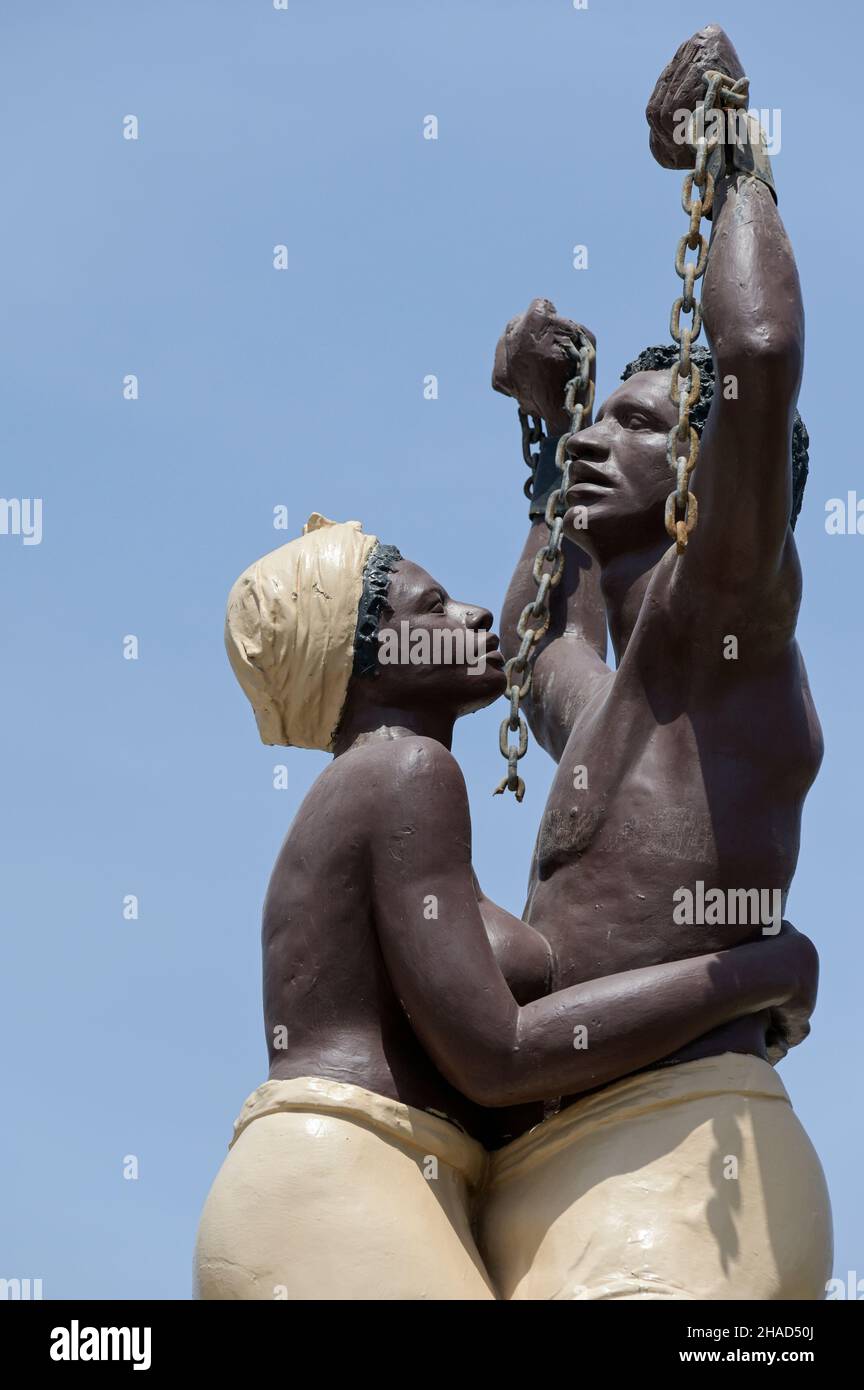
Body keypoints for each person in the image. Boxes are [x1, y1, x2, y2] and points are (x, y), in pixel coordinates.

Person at [194, 512, 817, 1301]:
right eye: (434, 607)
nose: (475, 616)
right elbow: (499, 1056)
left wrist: (557, 481)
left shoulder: (373, 787)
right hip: (340, 1181)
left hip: (364, 1179)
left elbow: (549, 630)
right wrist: (756, 971)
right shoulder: (408, 772)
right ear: (370, 657)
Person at [484, 25, 831, 1299]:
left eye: (633, 425)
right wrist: (548, 427)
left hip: (694, 1157)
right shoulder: (624, 701)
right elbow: (538, 645)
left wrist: (732, 152)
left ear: (704, 475)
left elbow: (754, 359)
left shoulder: (727, 617)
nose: (595, 441)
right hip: (568, 1159)